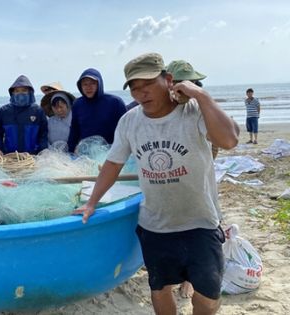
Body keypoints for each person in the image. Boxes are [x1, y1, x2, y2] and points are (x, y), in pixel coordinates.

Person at [74, 53, 238, 315]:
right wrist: (91, 202)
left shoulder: (194, 112)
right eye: (135, 88)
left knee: (208, 297)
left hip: (201, 222)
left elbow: (229, 140)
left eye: (147, 84)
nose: (141, 93)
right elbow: (113, 164)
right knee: (160, 289)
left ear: (168, 80)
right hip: (155, 224)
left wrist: (201, 95)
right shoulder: (130, 121)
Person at [67, 68, 126, 152]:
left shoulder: (115, 102)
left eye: (92, 83)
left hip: (112, 152)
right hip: (86, 154)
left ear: (99, 84)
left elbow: (126, 129)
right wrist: (70, 152)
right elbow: (74, 130)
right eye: (85, 84)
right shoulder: (77, 104)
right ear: (80, 86)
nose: (88, 87)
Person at [0, 75, 48, 154]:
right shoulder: (2, 112)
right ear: (12, 93)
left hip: (33, 158)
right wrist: (0, 149)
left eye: (24, 90)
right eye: (17, 91)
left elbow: (43, 134)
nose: (20, 93)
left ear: (30, 92)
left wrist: (42, 151)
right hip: (9, 157)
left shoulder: (38, 111)